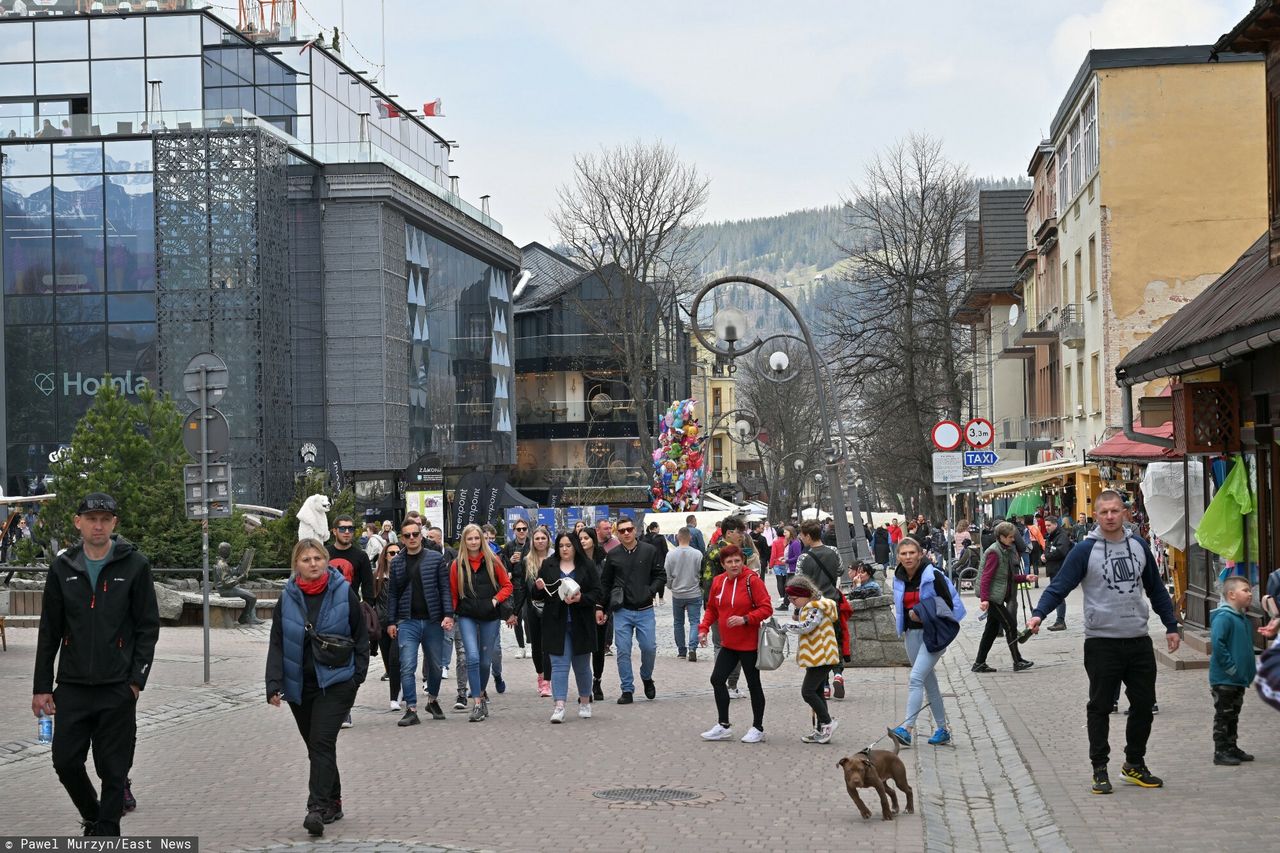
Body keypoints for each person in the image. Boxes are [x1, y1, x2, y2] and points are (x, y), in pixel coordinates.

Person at [1027, 489, 1180, 795]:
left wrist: (1171, 626)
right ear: (1096, 516)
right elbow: (1060, 585)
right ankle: (1099, 768)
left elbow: (1156, 589)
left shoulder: (1138, 546)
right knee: (1099, 707)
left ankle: (1134, 764)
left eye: (1115, 511)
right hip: (1101, 643)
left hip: (1138, 640)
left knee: (1143, 706)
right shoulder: (1085, 551)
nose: (1110, 516)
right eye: (1104, 512)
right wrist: (1038, 614)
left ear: (1124, 513)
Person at [32, 493, 159, 837]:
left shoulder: (135, 566)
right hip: (71, 686)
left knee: (113, 769)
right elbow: (49, 631)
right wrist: (42, 686)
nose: (98, 525)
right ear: (79, 523)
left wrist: (136, 682)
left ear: (114, 523)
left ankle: (107, 831)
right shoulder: (63, 567)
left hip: (117, 687)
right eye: (91, 519)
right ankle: (94, 817)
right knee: (65, 761)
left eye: (105, 519)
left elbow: (148, 627)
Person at [265, 539, 369, 837]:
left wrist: (357, 676)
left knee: (321, 742)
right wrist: (273, 683)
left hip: (336, 682)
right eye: (306, 559)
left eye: (318, 558)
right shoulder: (287, 598)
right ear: (296, 564)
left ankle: (316, 807)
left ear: (326, 561)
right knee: (318, 745)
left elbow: (360, 635)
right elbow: (277, 643)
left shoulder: (342, 592)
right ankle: (334, 800)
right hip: (300, 686)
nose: (313, 564)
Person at [697, 544, 773, 743]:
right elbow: (712, 608)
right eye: (729, 562)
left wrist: (745, 619)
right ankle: (723, 725)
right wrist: (703, 628)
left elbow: (766, 609)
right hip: (728, 644)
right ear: (722, 564)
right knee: (717, 679)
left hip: (749, 645)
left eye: (737, 561)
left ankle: (758, 727)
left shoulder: (752, 581)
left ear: (743, 562)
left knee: (753, 685)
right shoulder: (718, 582)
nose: (734, 565)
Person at [888, 537, 955, 747]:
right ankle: (943, 729)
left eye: (911, 553)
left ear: (920, 554)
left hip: (933, 633)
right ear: (898, 556)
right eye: (903, 553)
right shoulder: (898, 577)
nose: (908, 557)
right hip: (911, 634)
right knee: (928, 681)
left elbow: (948, 605)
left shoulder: (933, 575)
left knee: (916, 678)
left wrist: (923, 613)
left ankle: (906, 729)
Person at [385, 519, 452, 726]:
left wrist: (448, 614)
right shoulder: (397, 562)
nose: (412, 538)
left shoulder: (435, 558)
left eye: (415, 534)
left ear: (421, 535)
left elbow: (444, 588)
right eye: (407, 535)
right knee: (407, 665)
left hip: (433, 620)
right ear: (402, 538)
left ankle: (432, 699)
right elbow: (393, 594)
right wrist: (391, 621)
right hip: (407, 621)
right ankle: (411, 708)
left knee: (435, 665)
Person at [534, 532, 603, 722]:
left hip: (581, 622)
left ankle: (585, 701)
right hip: (556, 623)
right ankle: (559, 706)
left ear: (575, 547)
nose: (564, 549)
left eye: (568, 545)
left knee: (581, 666)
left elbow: (597, 592)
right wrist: (538, 587)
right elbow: (538, 595)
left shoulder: (586, 565)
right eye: (561, 545)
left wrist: (581, 598)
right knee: (558, 665)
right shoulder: (548, 565)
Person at [450, 523, 514, 722]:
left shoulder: (493, 561)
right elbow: (453, 594)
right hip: (467, 615)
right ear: (464, 541)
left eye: (477, 538)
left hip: (489, 615)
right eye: (470, 539)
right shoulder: (456, 564)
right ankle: (477, 702)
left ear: (482, 540)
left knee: (486, 661)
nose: (474, 542)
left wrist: (495, 600)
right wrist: (449, 616)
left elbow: (507, 585)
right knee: (472, 657)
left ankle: (482, 691)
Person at [601, 517, 665, 703]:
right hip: (622, 610)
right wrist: (601, 607)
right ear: (617, 533)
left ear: (635, 529)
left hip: (645, 609)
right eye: (622, 531)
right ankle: (627, 689)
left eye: (629, 529)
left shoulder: (649, 551)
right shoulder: (613, 555)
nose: (626, 533)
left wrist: (650, 591)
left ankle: (646, 676)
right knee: (623, 650)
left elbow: (660, 575)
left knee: (649, 647)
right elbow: (605, 582)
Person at [779, 574, 840, 743]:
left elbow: (807, 626)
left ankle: (827, 722)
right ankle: (821, 729)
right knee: (818, 692)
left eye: (794, 598)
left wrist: (786, 626)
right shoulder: (810, 605)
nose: (792, 602)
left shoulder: (815, 607)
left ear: (805, 594)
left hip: (822, 656)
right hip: (817, 656)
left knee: (807, 691)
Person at [971, 522, 1034, 674]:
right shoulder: (994, 552)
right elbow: (986, 578)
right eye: (1010, 537)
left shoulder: (1004, 549)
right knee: (1010, 625)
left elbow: (1007, 577)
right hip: (993, 597)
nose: (1013, 540)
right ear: (1001, 537)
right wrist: (984, 600)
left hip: (996, 596)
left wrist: (1025, 577)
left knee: (991, 630)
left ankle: (979, 663)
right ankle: (1017, 661)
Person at [1208, 576, 1256, 766]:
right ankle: (1220, 751)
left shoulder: (1243, 619)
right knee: (1224, 715)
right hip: (1225, 679)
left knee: (1233, 714)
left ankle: (1231, 746)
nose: (1250, 594)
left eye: (1250, 590)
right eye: (1245, 590)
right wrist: (1231, 668)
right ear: (1231, 595)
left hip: (1238, 679)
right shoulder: (1224, 617)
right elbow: (1218, 645)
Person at [796, 520, 846, 699]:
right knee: (834, 639)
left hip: (813, 606)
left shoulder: (804, 558)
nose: (801, 538)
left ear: (808, 536)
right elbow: (840, 570)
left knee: (818, 644)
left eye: (802, 535)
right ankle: (838, 674)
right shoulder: (833, 551)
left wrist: (796, 610)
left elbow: (798, 583)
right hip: (832, 603)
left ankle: (823, 685)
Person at [519, 526, 554, 696]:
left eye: (543, 538)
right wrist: (515, 610)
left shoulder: (555, 558)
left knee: (548, 644)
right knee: (536, 644)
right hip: (532, 607)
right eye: (537, 538)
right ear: (532, 541)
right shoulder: (527, 560)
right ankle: (540, 675)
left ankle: (548, 680)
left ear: (548, 540)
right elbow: (522, 587)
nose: (540, 541)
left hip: (552, 607)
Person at [579, 527, 611, 700]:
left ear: (593, 539)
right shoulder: (575, 561)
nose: (583, 541)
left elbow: (607, 586)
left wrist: (604, 609)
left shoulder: (603, 559)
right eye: (581, 538)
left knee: (598, 650)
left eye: (586, 538)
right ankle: (584, 688)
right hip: (580, 609)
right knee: (583, 650)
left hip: (599, 608)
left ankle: (597, 681)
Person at [666, 527, 703, 661]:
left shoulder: (670, 554)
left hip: (677, 594)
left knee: (678, 622)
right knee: (694, 622)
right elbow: (701, 573)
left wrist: (671, 586)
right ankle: (693, 647)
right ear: (690, 538)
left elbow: (667, 574)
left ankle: (681, 650)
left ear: (677, 537)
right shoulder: (698, 554)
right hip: (694, 592)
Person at [373, 542, 402, 709]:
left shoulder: (404, 574)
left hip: (399, 623)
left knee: (395, 659)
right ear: (385, 556)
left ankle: (394, 697)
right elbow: (371, 600)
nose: (395, 556)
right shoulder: (376, 576)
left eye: (398, 552)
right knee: (388, 661)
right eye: (392, 553)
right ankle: (399, 687)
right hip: (381, 623)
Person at [500, 518, 531, 659]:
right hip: (516, 584)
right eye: (519, 529)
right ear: (514, 531)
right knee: (516, 616)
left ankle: (530, 644)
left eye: (524, 529)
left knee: (527, 615)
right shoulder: (509, 546)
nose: (522, 531)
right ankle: (521, 647)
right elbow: (503, 564)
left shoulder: (531, 544)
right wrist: (510, 563)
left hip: (529, 582)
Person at [1042, 517, 1072, 630]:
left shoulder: (1062, 536)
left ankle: (1060, 621)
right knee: (1057, 595)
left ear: (1055, 524)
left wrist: (1047, 556)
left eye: (1049, 525)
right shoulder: (1052, 536)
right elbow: (1049, 549)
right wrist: (1044, 556)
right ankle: (1059, 620)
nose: (1047, 528)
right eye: (1046, 525)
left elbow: (1061, 551)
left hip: (1059, 569)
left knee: (1058, 595)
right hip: (1053, 569)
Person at [768, 524, 792, 605]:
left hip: (777, 563)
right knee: (785, 580)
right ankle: (785, 596)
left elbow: (773, 554)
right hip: (786, 563)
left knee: (779, 580)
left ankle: (781, 596)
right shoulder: (788, 542)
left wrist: (771, 564)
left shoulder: (775, 542)